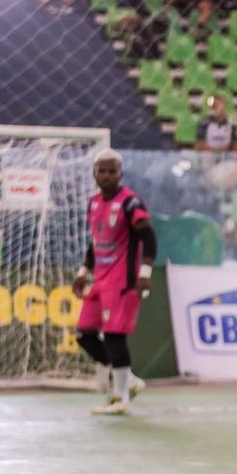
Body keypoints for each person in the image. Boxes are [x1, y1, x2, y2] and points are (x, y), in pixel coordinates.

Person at [72, 149, 157, 417]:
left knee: (113, 337)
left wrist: (145, 273)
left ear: (120, 174)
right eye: (102, 170)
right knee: (84, 334)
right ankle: (128, 380)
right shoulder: (94, 202)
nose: (107, 175)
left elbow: (149, 237)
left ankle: (121, 398)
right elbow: (95, 241)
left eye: (112, 171)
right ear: (94, 173)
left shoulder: (131, 203)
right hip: (100, 279)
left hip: (123, 281)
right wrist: (83, 271)